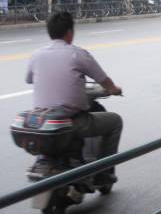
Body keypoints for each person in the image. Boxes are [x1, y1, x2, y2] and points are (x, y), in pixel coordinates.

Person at [26, 12, 123, 184]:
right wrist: (114, 89)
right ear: (70, 32)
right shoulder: (77, 54)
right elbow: (103, 79)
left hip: (42, 121)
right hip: (72, 120)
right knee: (115, 122)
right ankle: (103, 171)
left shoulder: (36, 54)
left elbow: (28, 79)